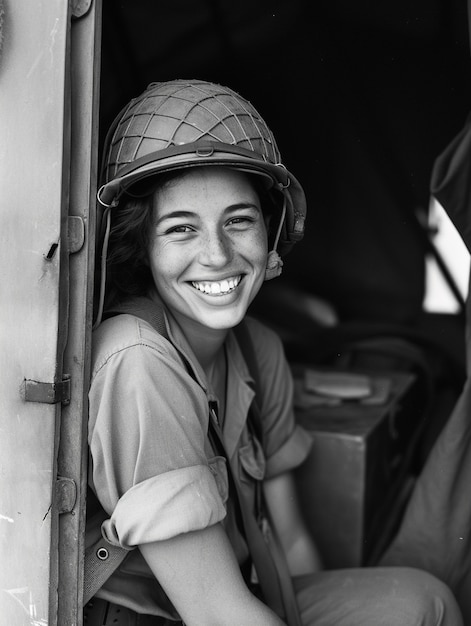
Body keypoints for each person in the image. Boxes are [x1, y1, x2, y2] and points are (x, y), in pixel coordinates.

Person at [84, 79, 463, 625]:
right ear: (141, 248)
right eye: (181, 229)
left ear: (272, 231)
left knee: (423, 602)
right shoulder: (137, 361)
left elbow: (289, 542)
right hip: (170, 616)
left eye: (238, 220)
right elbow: (216, 613)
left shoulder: (258, 350)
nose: (216, 255)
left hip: (248, 599)